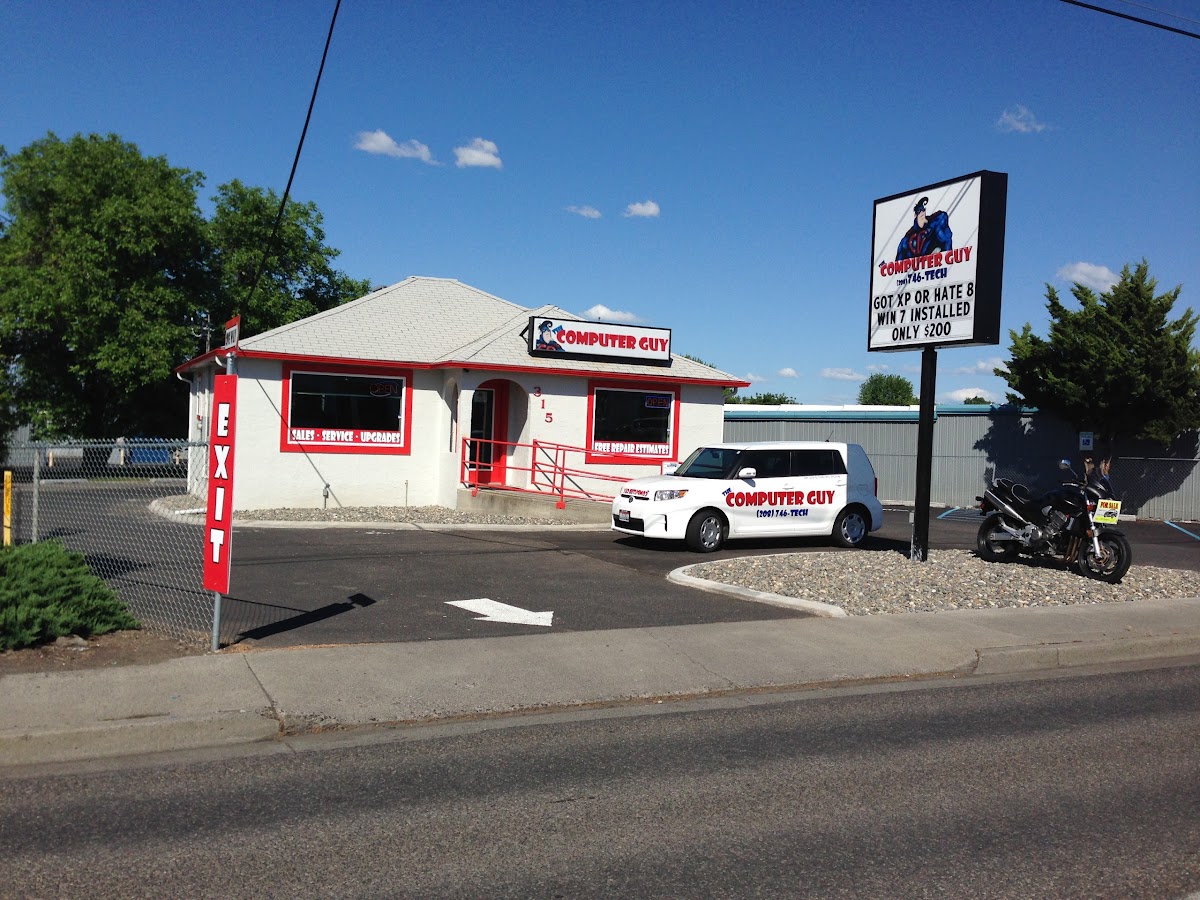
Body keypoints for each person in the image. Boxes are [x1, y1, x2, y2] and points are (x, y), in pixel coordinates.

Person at [896, 196, 953, 261]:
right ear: (915, 215)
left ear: (925, 211)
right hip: (917, 268)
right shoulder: (908, 237)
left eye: (923, 210)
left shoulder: (935, 222)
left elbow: (946, 240)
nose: (921, 213)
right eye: (918, 211)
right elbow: (899, 260)